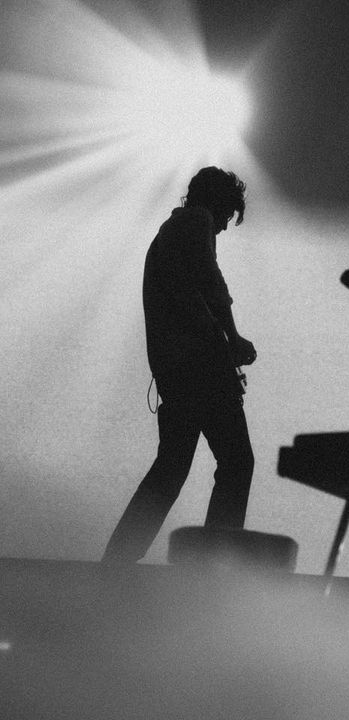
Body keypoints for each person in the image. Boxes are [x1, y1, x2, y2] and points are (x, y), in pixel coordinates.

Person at [103, 167, 257, 563]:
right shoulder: (197, 221)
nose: (224, 226)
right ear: (216, 202)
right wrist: (232, 338)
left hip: (175, 370)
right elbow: (211, 284)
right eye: (228, 214)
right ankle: (211, 565)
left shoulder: (170, 231)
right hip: (200, 368)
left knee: (171, 467)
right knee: (237, 463)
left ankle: (118, 559)